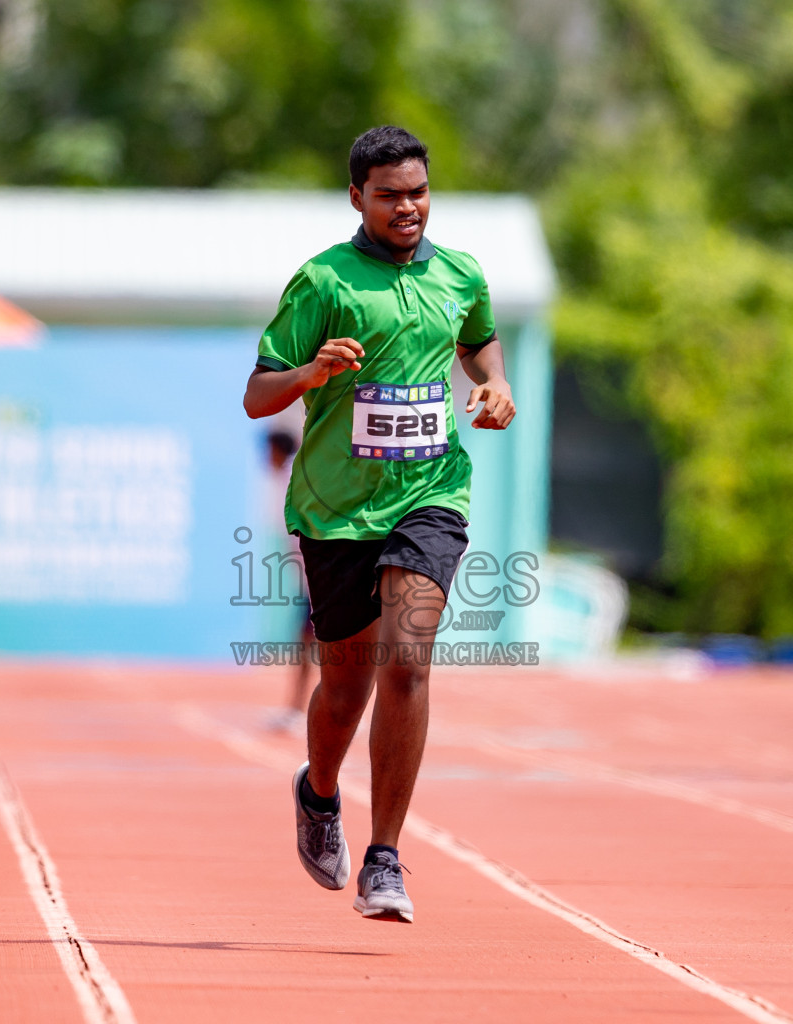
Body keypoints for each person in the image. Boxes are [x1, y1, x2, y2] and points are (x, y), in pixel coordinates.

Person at [242, 125, 515, 923]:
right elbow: (258, 395)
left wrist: (496, 388)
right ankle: (318, 789)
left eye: (419, 192)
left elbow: (482, 346)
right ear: (357, 196)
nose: (408, 207)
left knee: (407, 661)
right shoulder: (323, 281)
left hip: (431, 494)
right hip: (335, 508)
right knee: (346, 684)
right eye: (391, 194)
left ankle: (385, 856)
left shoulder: (461, 274)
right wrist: (310, 372)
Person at [261, 429, 315, 734]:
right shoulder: (283, 477)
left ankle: (299, 707)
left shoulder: (297, 473)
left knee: (312, 643)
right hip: (309, 577)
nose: (265, 459)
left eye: (268, 451)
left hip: (320, 575)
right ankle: (296, 706)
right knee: (309, 643)